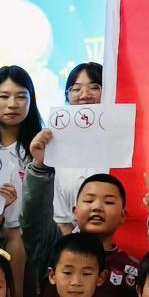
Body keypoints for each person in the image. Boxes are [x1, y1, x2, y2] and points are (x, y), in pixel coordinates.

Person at [17, 130, 141, 297]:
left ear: (123, 215)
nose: (97, 207)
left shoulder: (132, 268)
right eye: (89, 200)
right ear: (75, 210)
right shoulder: (54, 249)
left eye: (108, 202)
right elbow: (33, 219)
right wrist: (40, 167)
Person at [0, 66, 46, 297]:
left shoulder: (41, 147)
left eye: (21, 96)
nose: (12, 104)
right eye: (4, 96)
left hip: (31, 251)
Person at [53, 61, 105, 231]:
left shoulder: (124, 141)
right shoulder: (57, 145)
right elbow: (63, 221)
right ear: (67, 96)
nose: (85, 95)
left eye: (94, 87)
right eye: (76, 89)